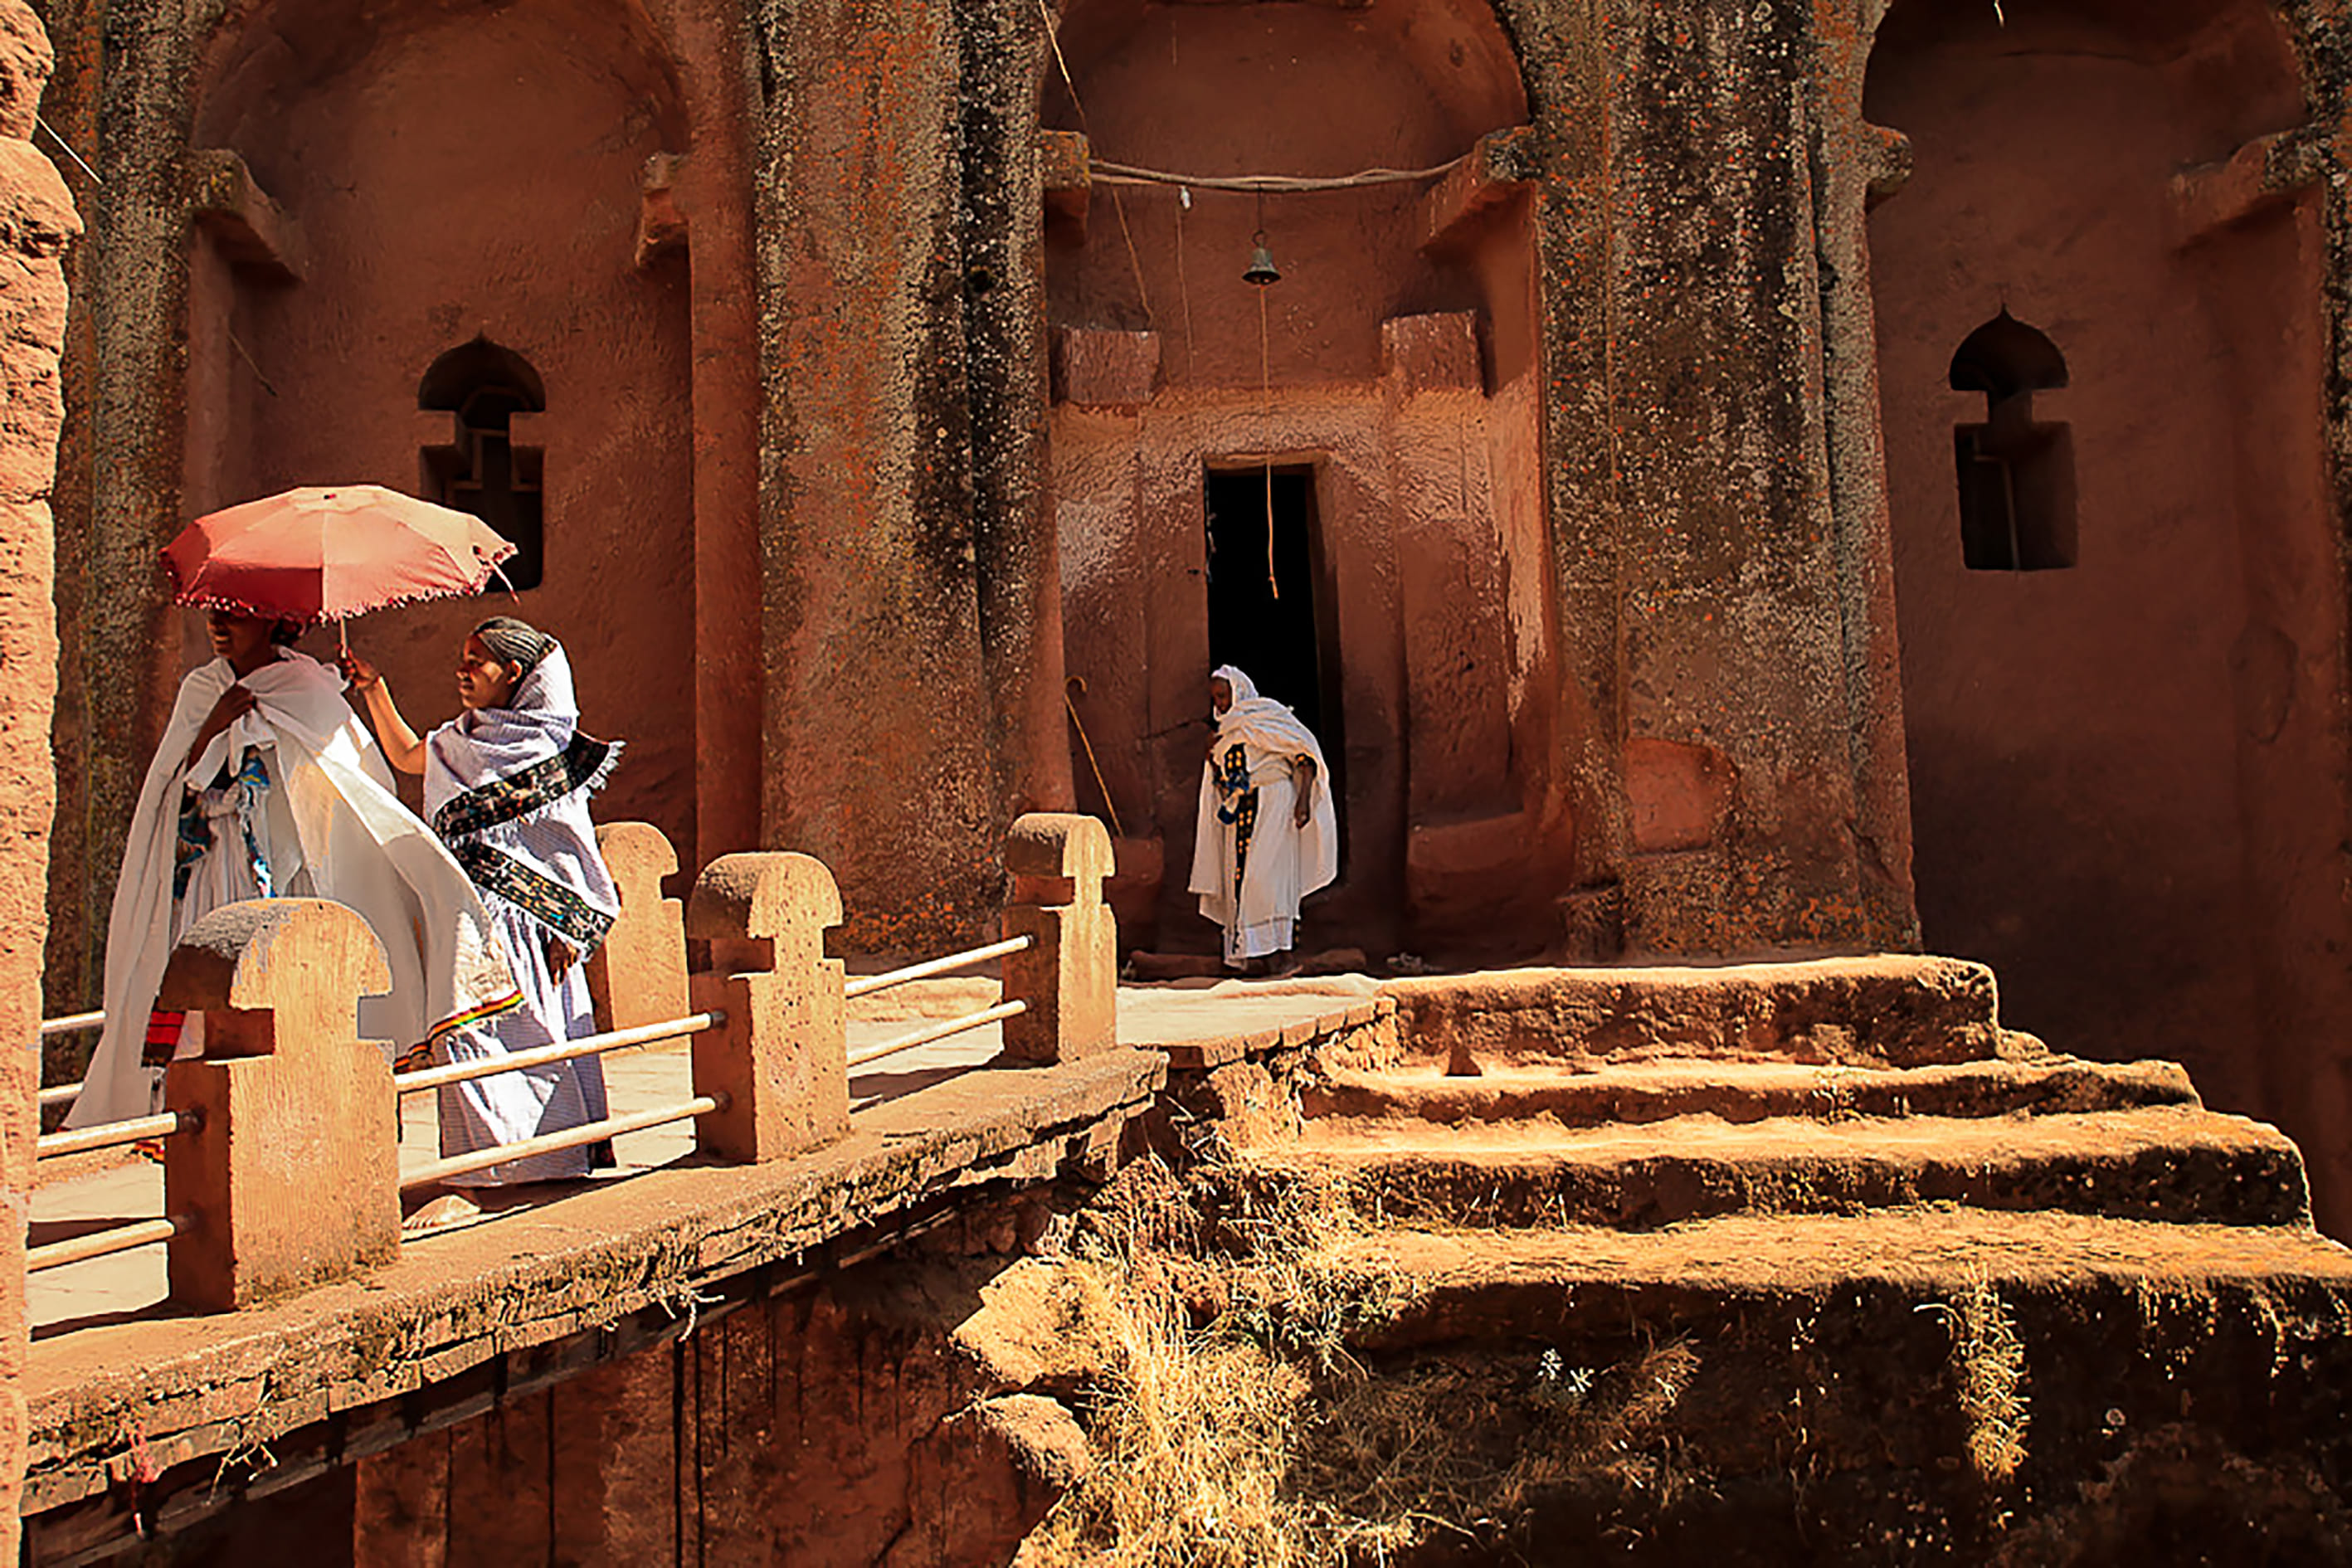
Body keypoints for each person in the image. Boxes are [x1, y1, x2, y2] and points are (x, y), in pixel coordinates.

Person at [68, 608, 521, 1129]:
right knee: (220, 1002)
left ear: (274, 621)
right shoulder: (203, 688)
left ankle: (324, 1121)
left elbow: (361, 782)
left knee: (303, 1002)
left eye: (237, 615)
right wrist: (215, 725)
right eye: (216, 614)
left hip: (298, 876)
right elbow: (176, 790)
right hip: (221, 872)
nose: (220, 625)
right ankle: (222, 1127)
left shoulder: (308, 687)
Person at [342, 617, 621, 1227]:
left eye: (477, 661)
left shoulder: (545, 752)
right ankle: (482, 1171)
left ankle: (528, 1166)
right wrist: (373, 688)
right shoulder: (455, 739)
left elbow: (567, 847)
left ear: (514, 675)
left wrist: (570, 927)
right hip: (465, 916)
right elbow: (408, 756)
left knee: (523, 1038)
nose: (463, 670)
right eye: (462, 658)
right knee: (464, 1034)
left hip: (531, 930)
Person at [1188, 664, 1337, 976]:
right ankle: (1258, 956)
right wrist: (1214, 764)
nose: (1219, 704)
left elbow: (1304, 756)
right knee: (1240, 882)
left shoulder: (1267, 718)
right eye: (1214, 698)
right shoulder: (1223, 733)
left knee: (1267, 880)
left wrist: (1304, 800)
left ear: (1238, 691)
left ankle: (1279, 955)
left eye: (1223, 696)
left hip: (1274, 804)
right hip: (1240, 812)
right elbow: (1221, 778)